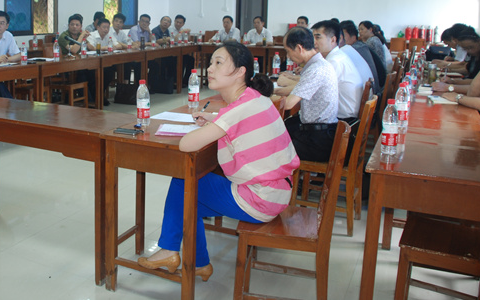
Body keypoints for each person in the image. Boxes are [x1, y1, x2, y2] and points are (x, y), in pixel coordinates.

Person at [137, 41, 299, 278]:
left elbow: (186, 144)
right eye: (211, 62)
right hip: (278, 192)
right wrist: (215, 119)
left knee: (183, 182)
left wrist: (214, 124)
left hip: (261, 199)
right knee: (188, 201)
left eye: (219, 63)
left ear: (240, 71)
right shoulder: (255, 98)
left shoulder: (237, 110)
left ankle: (170, 250)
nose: (210, 68)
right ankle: (198, 263)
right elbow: (236, 120)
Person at [276, 27, 339, 162]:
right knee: (280, 130)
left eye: (288, 51)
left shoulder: (316, 69)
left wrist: (260, 102)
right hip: (318, 131)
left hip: (318, 140)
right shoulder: (318, 64)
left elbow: (288, 104)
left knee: (272, 147)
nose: (288, 57)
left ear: (299, 48)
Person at [312, 20, 363, 120]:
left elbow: (311, 89)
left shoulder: (334, 61)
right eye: (312, 38)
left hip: (343, 120)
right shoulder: (337, 56)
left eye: (318, 37)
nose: (314, 42)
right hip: (343, 114)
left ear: (333, 40)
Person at [341, 20, 386, 92]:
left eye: (343, 37)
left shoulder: (354, 49)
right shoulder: (361, 46)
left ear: (353, 36)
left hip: (374, 91)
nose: (340, 40)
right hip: (377, 88)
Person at [87, 18, 116, 105]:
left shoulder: (109, 35)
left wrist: (110, 47)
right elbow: (91, 48)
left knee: (111, 70)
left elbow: (117, 45)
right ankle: (97, 95)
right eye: (104, 27)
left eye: (108, 27)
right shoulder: (92, 35)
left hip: (104, 62)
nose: (106, 29)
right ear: (98, 27)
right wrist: (105, 48)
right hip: (91, 63)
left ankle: (100, 93)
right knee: (99, 73)